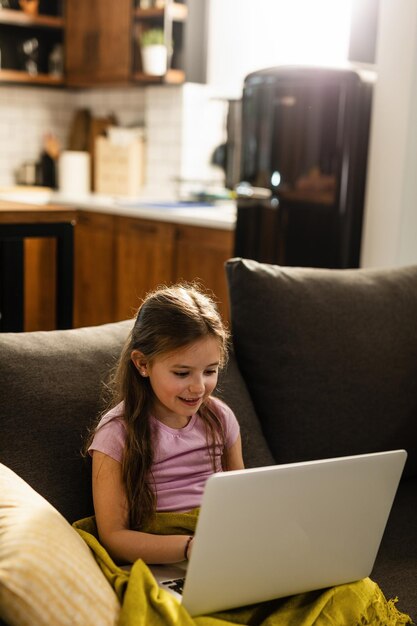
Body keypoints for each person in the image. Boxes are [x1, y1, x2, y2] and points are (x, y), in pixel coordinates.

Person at [86, 283, 244, 566]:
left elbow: (244, 499)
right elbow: (113, 537)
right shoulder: (116, 435)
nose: (198, 387)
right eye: (182, 373)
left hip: (222, 549)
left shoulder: (221, 418)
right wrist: (188, 548)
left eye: (210, 371)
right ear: (142, 364)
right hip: (164, 557)